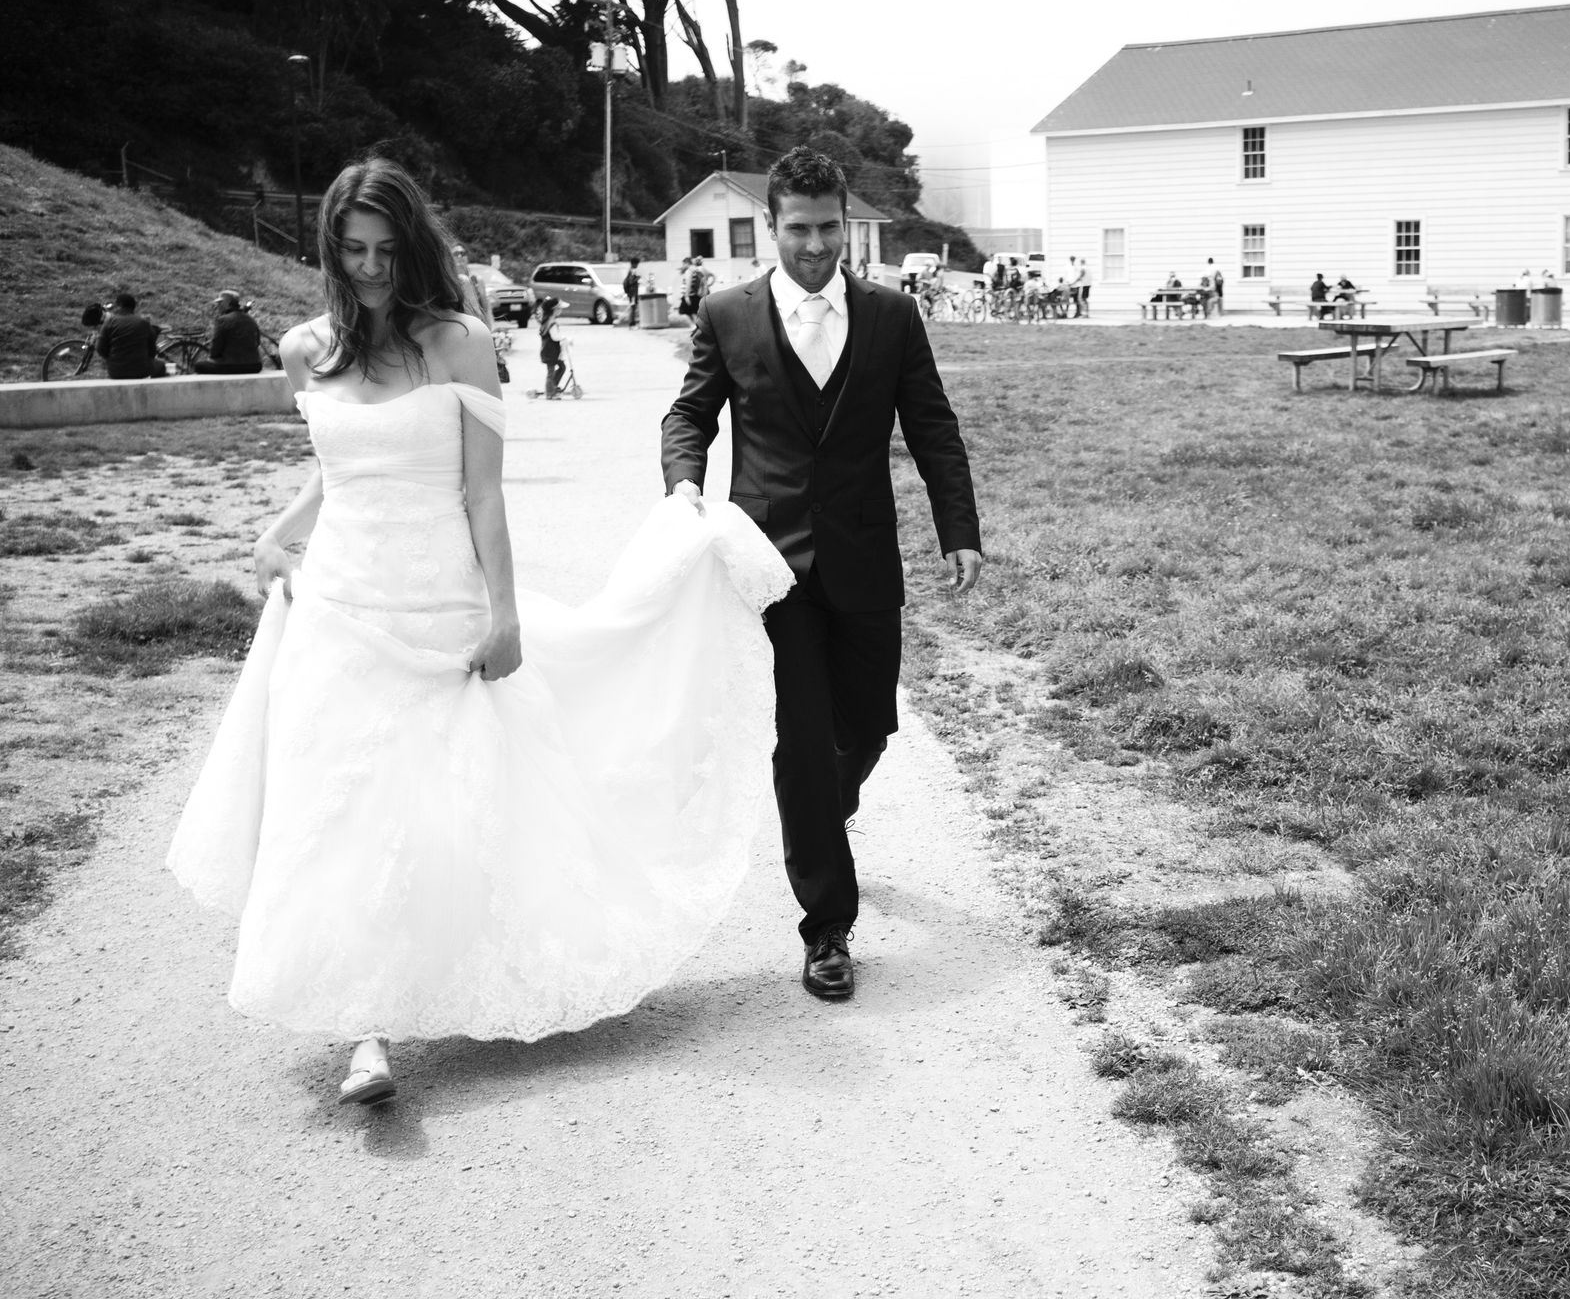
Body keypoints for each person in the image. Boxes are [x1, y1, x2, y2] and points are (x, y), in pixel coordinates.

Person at [166, 157, 791, 1105]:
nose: (371, 268)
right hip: (338, 599)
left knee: (441, 808)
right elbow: (340, 469)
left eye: (386, 249)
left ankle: (451, 973)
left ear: (410, 245)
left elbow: (481, 493)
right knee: (332, 804)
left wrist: (503, 614)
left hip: (439, 599)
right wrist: (275, 532)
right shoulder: (305, 349)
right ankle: (362, 1031)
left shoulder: (459, 342)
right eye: (354, 251)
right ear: (331, 251)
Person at [662, 145, 982, 1002]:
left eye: (828, 227)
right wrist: (685, 488)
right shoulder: (727, 313)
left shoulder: (890, 317)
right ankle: (827, 926)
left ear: (849, 224)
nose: (814, 245)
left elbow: (933, 427)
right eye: (797, 229)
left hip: (866, 553)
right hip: (769, 566)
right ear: (771, 228)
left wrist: (960, 530)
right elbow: (689, 414)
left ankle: (827, 810)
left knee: (867, 727)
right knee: (802, 741)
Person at [194, 290, 264, 374]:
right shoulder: (250, 319)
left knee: (199, 366)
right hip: (255, 365)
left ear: (227, 304)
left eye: (220, 303)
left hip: (231, 365)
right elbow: (257, 342)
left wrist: (214, 357)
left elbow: (216, 347)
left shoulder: (223, 320)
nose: (218, 306)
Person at [99, 293, 164, 379]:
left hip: (115, 371)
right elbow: (152, 349)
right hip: (142, 370)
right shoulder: (143, 323)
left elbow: (100, 347)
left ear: (120, 306)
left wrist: (110, 358)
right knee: (161, 365)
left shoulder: (110, 323)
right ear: (133, 307)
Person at [450, 244, 492, 328]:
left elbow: (486, 308)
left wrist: (489, 329)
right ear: (450, 258)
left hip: (478, 325)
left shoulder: (477, 280)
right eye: (456, 253)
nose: (460, 256)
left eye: (463, 253)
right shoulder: (450, 281)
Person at [535, 295, 566, 397]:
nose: (560, 310)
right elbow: (555, 337)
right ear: (555, 310)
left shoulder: (549, 321)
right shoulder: (551, 323)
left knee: (562, 367)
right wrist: (565, 338)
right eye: (559, 308)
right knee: (551, 372)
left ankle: (553, 386)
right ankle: (549, 393)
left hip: (551, 351)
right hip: (550, 352)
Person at [622, 256, 642, 327]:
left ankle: (632, 321)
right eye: (636, 264)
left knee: (633, 306)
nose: (637, 266)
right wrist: (637, 279)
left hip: (632, 292)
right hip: (632, 292)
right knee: (633, 306)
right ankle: (631, 322)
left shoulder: (631, 270)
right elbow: (631, 282)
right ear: (634, 264)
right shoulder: (632, 271)